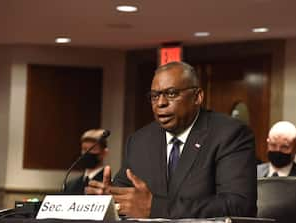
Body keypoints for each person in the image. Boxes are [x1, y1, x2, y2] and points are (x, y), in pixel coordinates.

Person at [86, 61, 257, 218]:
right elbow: (125, 195)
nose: (160, 103)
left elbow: (239, 205)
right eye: (154, 96)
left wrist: (156, 209)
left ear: (197, 97)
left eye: (171, 93)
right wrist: (109, 199)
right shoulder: (140, 141)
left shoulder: (229, 134)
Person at [63, 129, 109, 194]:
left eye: (92, 149)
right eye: (84, 149)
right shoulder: (70, 185)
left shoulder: (109, 184)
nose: (87, 153)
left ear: (104, 153)